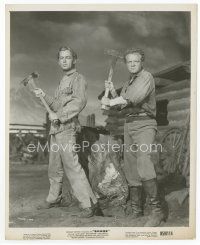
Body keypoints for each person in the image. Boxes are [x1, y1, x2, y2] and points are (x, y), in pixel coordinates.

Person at [34, 46, 101, 218]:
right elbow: (56, 104)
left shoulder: (78, 78)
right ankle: (54, 198)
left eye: (67, 57)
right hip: (56, 129)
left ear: (74, 60)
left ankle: (89, 204)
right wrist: (44, 96)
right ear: (58, 61)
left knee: (72, 166)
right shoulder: (62, 81)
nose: (64, 60)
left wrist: (60, 115)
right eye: (61, 58)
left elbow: (79, 102)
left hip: (67, 128)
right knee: (54, 167)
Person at [101, 48, 165, 226]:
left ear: (141, 62)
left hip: (145, 124)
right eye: (129, 62)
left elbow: (133, 99)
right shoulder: (130, 81)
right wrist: (113, 92)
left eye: (135, 61)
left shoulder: (146, 78)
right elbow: (123, 105)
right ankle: (137, 209)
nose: (132, 64)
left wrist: (110, 101)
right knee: (130, 166)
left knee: (144, 163)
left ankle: (157, 211)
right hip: (129, 125)